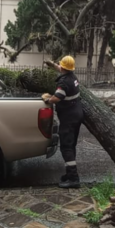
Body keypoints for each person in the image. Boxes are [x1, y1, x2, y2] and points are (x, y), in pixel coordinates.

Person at [43, 56, 83, 189]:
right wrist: (52, 65)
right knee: (71, 146)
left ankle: (73, 178)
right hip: (77, 115)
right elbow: (63, 69)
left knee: (66, 147)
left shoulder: (64, 82)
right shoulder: (73, 77)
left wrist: (48, 99)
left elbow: (57, 98)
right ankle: (70, 173)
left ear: (64, 67)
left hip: (68, 118)